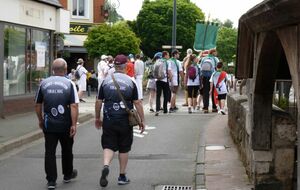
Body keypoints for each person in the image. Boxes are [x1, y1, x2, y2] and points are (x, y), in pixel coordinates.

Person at [95, 54, 145, 187]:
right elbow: (137, 102)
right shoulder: (131, 81)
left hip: (109, 118)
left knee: (108, 145)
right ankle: (122, 176)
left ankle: (106, 165)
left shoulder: (105, 81)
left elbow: (99, 101)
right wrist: (142, 120)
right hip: (124, 120)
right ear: (125, 67)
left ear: (115, 66)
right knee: (124, 148)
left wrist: (97, 118)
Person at [35, 58, 79, 190]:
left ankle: (51, 181)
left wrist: (41, 120)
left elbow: (37, 105)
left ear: (53, 69)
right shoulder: (69, 84)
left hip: (49, 124)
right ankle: (67, 174)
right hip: (65, 124)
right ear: (65, 69)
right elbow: (74, 106)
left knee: (50, 152)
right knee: (67, 149)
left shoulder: (43, 84)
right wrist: (74, 124)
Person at [200, 49, 219, 113]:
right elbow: (218, 68)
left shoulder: (203, 58)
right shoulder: (215, 59)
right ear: (213, 52)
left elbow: (201, 68)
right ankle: (214, 107)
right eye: (216, 52)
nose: (216, 53)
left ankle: (205, 108)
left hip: (205, 77)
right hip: (213, 77)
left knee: (205, 92)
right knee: (213, 91)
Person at [154, 51, 172, 116]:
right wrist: (170, 78)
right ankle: (165, 110)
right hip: (164, 80)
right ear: (165, 55)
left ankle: (157, 110)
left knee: (158, 95)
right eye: (168, 55)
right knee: (165, 95)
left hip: (157, 80)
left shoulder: (158, 60)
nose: (169, 56)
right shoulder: (168, 62)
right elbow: (169, 71)